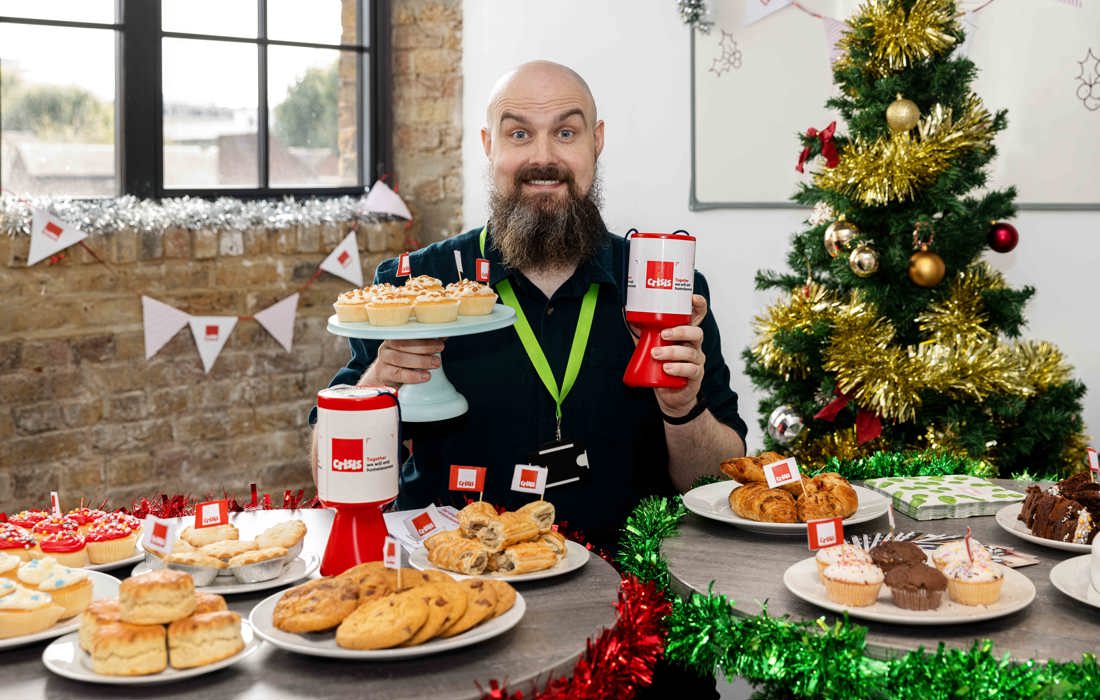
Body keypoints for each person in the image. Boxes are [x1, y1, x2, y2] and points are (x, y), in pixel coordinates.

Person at [311, 61, 747, 696]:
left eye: (565, 134)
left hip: (637, 630)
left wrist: (680, 405)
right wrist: (380, 380)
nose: (544, 158)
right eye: (519, 134)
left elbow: (715, 482)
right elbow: (327, 473)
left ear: (598, 141)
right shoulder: (416, 288)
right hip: (455, 623)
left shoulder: (661, 283)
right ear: (489, 147)